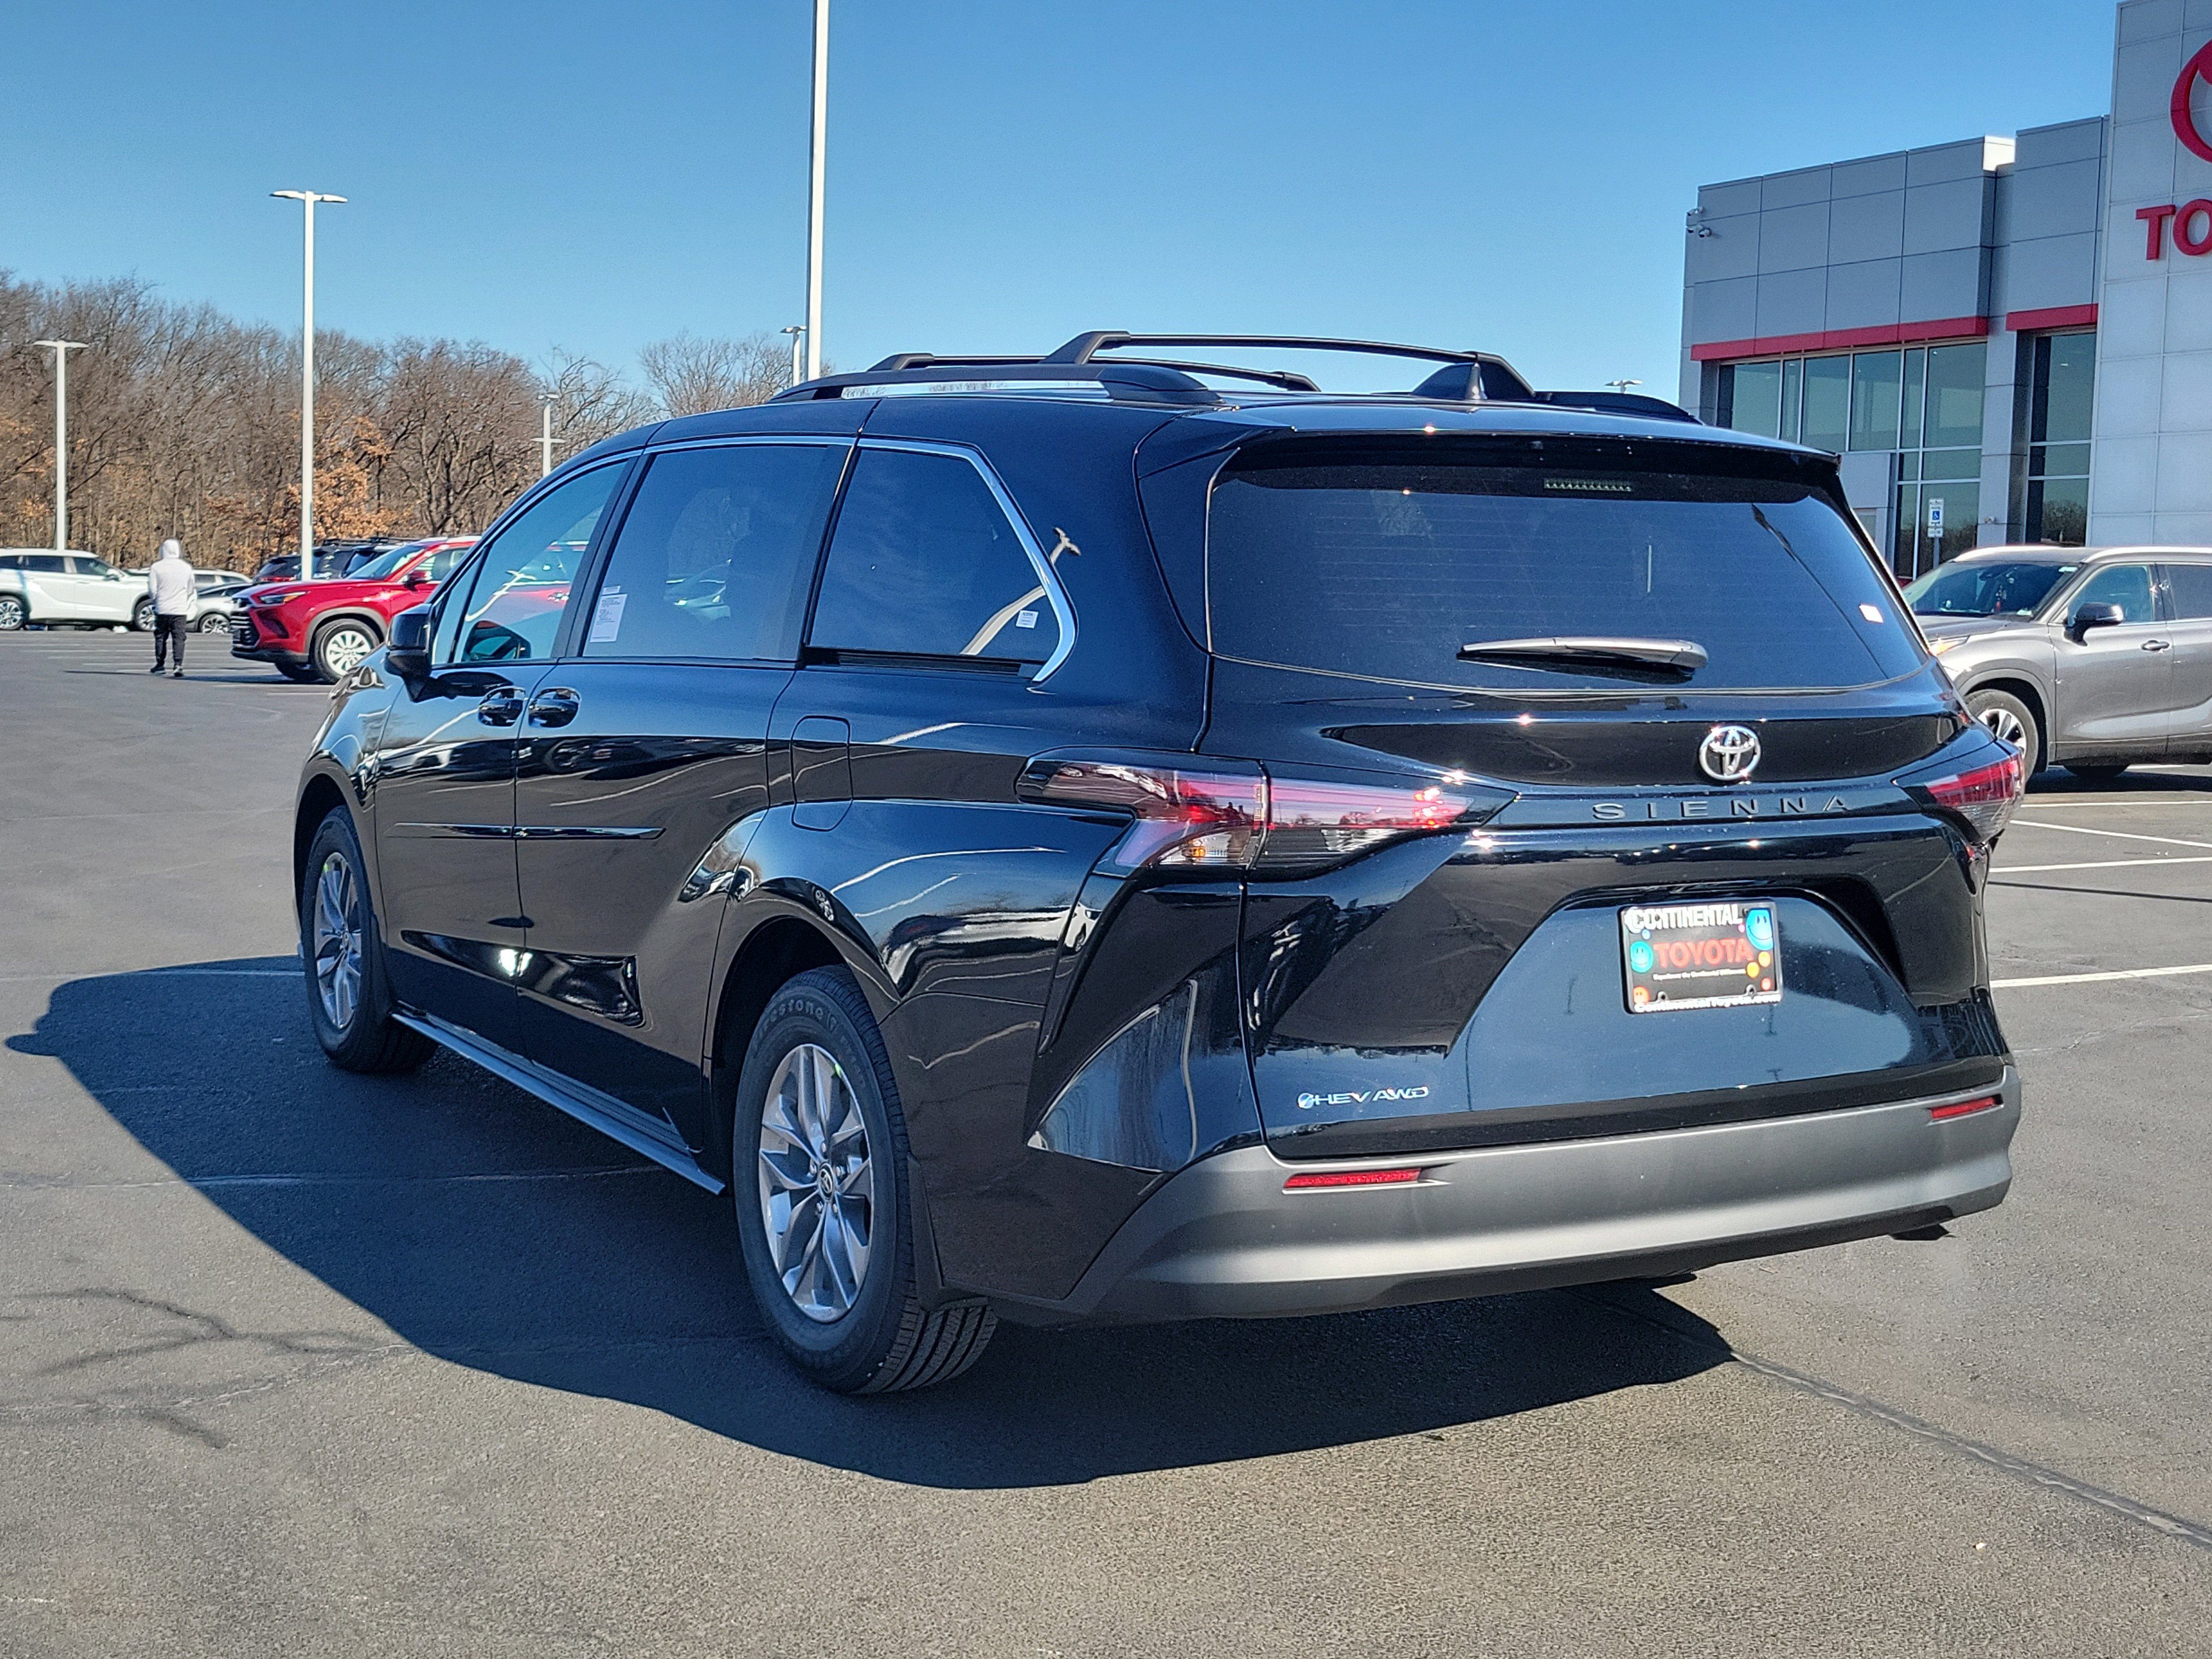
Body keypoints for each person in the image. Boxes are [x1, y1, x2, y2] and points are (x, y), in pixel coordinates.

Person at [146, 538, 194, 678]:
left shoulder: (157, 567)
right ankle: (178, 664)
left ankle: (160, 664)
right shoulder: (186, 567)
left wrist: (156, 600)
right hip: (180, 609)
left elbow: (152, 589)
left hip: (162, 608)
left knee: (161, 637)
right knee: (179, 638)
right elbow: (191, 588)